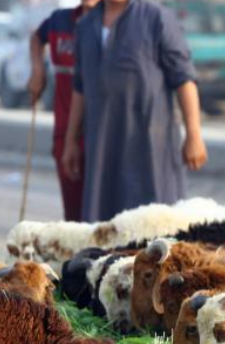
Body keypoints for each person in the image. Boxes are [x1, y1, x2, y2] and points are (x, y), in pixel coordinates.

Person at [61, 0, 208, 222]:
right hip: (102, 148)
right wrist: (71, 140)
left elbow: (184, 79)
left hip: (150, 147)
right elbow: (80, 88)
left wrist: (194, 134)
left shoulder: (157, 18)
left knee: (156, 228)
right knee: (103, 229)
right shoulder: (85, 26)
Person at [28, 0, 100, 222]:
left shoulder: (113, 25)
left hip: (100, 135)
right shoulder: (60, 20)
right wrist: (38, 70)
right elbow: (37, 38)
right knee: (72, 213)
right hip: (64, 129)